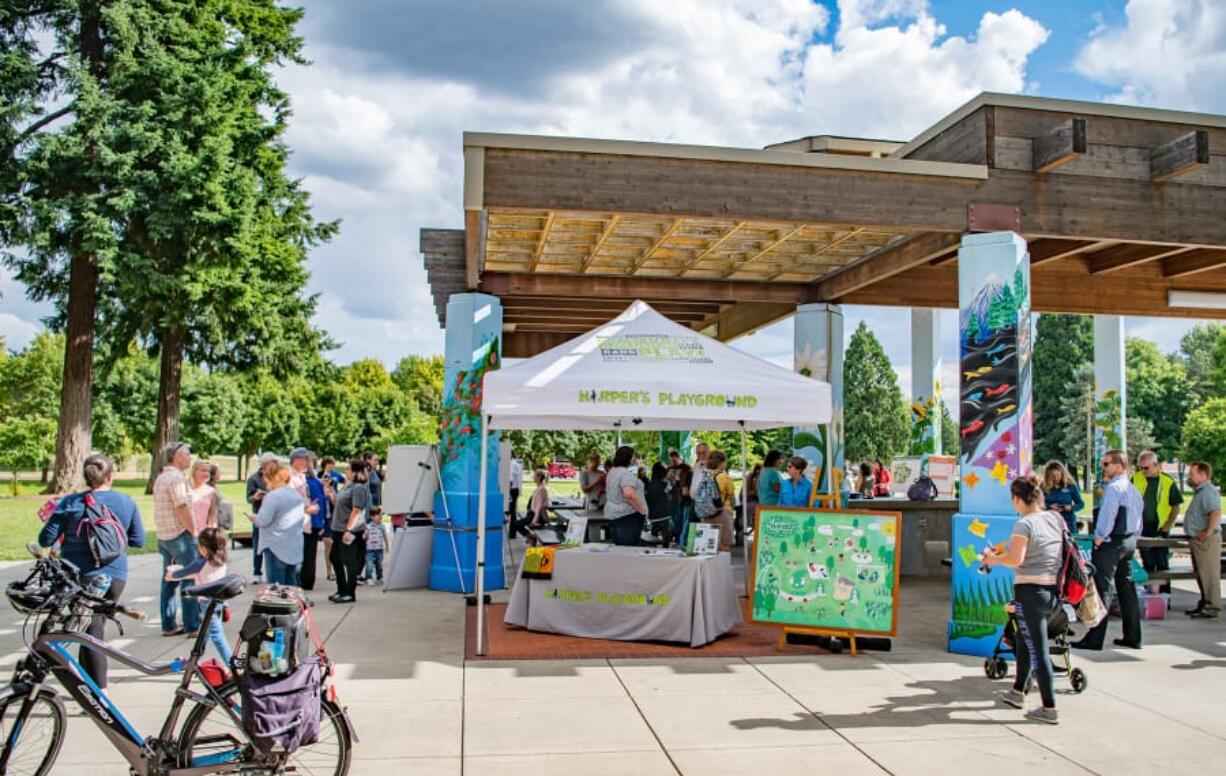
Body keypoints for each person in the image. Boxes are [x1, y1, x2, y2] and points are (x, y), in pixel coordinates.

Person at [38, 454, 145, 687]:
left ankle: (99, 691)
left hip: (80, 577)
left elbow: (45, 539)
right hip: (116, 574)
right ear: (110, 476)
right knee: (90, 628)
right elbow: (138, 539)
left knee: (91, 632)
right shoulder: (126, 501)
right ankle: (89, 685)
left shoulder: (70, 502)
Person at [982, 476, 1065, 725]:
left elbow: (1016, 560)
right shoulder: (1054, 518)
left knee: (1038, 649)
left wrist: (992, 560)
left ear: (1017, 499)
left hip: (1030, 591)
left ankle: (1049, 707)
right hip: (1053, 591)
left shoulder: (1024, 524)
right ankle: (1018, 691)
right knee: (1024, 637)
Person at [1073, 449, 1144, 651]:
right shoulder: (1132, 489)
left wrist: (1099, 538)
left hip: (1111, 542)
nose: (1102, 468)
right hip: (1128, 541)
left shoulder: (1113, 488)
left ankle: (1095, 637)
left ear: (1118, 466)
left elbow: (1107, 516)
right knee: (1126, 589)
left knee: (1101, 589)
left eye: (1106, 464)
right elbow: (1138, 519)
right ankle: (1133, 635)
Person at [153, 442, 202, 637]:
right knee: (190, 577)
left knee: (169, 580)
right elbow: (181, 507)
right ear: (178, 457)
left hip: (164, 535)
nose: (190, 458)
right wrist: (194, 530)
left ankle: (168, 624)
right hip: (179, 535)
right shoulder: (177, 479)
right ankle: (192, 625)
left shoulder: (161, 477)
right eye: (188, 455)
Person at [165, 527, 232, 664]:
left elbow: (181, 573)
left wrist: (170, 573)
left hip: (208, 604)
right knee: (205, 633)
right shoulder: (222, 561)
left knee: (217, 635)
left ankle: (232, 665)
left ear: (204, 548)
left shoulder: (200, 564)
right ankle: (194, 660)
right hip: (220, 601)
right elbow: (197, 574)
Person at [1133, 450, 1182, 590]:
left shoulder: (1167, 482)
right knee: (1147, 561)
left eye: (1146, 468)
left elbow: (1176, 506)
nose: (1143, 471)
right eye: (1140, 467)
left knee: (1162, 563)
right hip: (1142, 527)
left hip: (1160, 527)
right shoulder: (1135, 478)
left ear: (1156, 465)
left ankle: (1165, 595)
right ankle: (1149, 594)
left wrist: (1167, 526)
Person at [252, 462, 305, 587]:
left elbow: (263, 520)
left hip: (275, 545)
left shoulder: (273, 496)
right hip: (293, 545)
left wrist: (254, 518)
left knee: (276, 587)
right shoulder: (296, 495)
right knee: (291, 584)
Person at [1183, 462, 1222, 620]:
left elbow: (1215, 512)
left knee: (1209, 573)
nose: (1189, 477)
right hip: (1198, 540)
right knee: (1202, 574)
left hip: (1206, 541)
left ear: (1202, 475)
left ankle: (1212, 606)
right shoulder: (1200, 492)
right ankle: (1205, 602)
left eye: (1192, 474)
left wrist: (1207, 532)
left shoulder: (1207, 492)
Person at [330, 460, 370, 603]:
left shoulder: (359, 488)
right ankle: (341, 589)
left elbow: (356, 510)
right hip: (338, 528)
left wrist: (349, 529)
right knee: (335, 558)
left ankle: (349, 592)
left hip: (349, 530)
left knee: (349, 561)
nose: (346, 472)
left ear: (356, 472)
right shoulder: (348, 486)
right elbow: (339, 503)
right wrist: (330, 492)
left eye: (348, 469)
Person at [603, 445, 648, 546]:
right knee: (628, 550)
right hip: (627, 516)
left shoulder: (612, 471)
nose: (635, 458)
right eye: (633, 456)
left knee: (619, 548)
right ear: (628, 457)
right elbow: (629, 494)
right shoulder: (625, 474)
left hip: (614, 514)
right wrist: (642, 510)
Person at [245, 453, 277, 583]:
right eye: (272, 463)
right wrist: (255, 497)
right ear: (265, 464)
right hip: (259, 514)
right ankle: (256, 572)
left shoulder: (278, 477)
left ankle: (274, 571)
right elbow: (248, 498)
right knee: (258, 544)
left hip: (275, 516)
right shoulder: (254, 479)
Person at [300, 460, 330, 590]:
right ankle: (308, 580)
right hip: (315, 522)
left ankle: (303, 580)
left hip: (305, 522)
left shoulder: (303, 483)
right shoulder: (317, 483)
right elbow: (322, 504)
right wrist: (321, 522)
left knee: (303, 554)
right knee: (310, 554)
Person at [704, 450, 736, 552]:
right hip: (723, 512)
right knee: (725, 543)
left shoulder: (704, 475)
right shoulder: (725, 477)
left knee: (709, 545)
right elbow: (732, 498)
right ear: (721, 463)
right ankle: (722, 567)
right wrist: (733, 508)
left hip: (706, 513)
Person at [1041, 461, 1085, 534]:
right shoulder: (1043, 487)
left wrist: (1071, 508)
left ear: (1062, 474)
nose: (1056, 478)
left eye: (1058, 475)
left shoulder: (1071, 486)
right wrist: (1049, 507)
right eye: (1052, 476)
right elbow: (1037, 505)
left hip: (1068, 524)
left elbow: (1081, 504)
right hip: (1049, 524)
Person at [188, 459, 218, 535]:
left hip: (204, 533)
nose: (206, 474)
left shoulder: (211, 491)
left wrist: (211, 531)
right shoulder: (186, 489)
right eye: (203, 471)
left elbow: (212, 515)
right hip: (187, 533)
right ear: (194, 471)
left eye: (208, 471)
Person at [363, 507, 390, 585]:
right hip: (369, 549)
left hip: (379, 548)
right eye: (378, 515)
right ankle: (369, 578)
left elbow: (385, 536)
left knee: (379, 565)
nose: (380, 516)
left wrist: (387, 546)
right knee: (369, 565)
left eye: (381, 514)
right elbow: (365, 536)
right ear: (372, 517)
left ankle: (380, 576)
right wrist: (364, 537)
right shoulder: (368, 527)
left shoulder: (382, 526)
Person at [646, 462, 671, 542]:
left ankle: (652, 548)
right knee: (665, 535)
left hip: (653, 514)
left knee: (653, 534)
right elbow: (672, 491)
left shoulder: (649, 484)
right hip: (664, 514)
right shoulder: (666, 485)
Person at [506, 455, 524, 526]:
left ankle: (512, 530)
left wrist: (506, 490)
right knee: (512, 510)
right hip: (513, 489)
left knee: (511, 511)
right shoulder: (514, 463)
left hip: (512, 490)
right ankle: (512, 530)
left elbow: (511, 481)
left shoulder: (512, 464)